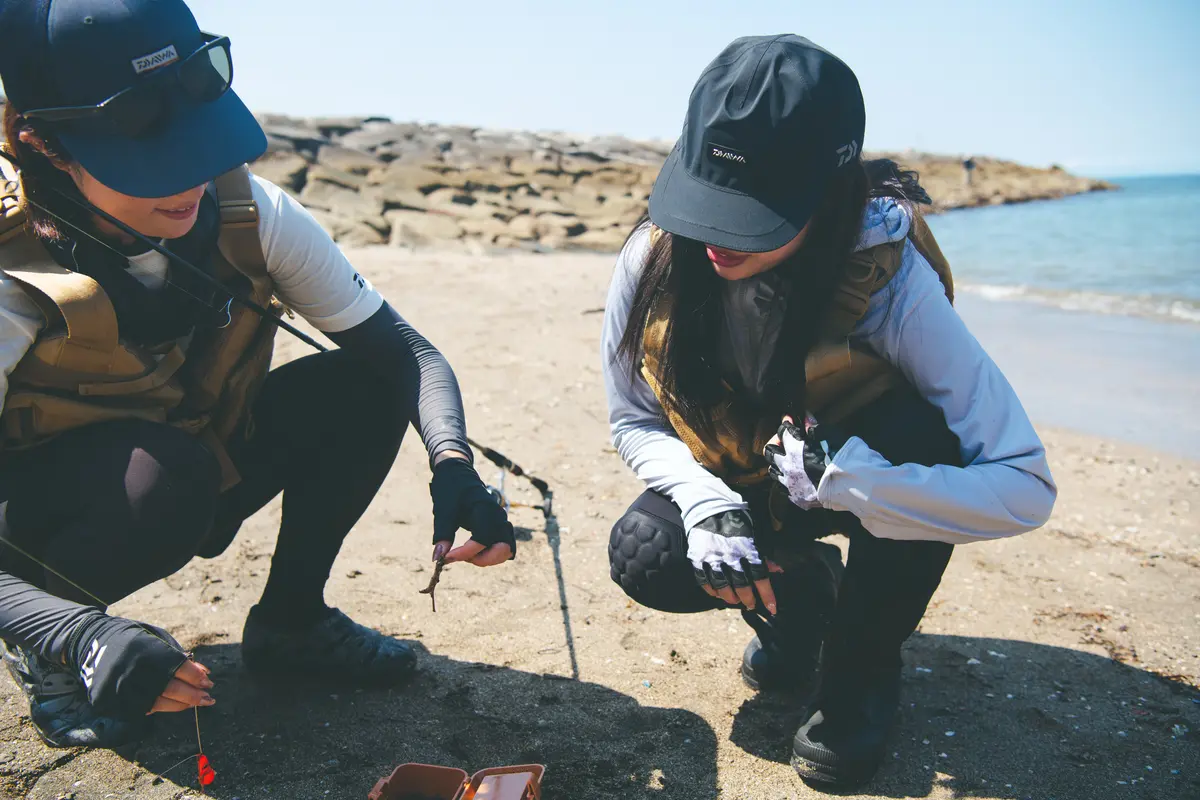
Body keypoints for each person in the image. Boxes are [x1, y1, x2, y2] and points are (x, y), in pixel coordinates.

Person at [0, 0, 515, 750]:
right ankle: (44, 633)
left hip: (191, 464)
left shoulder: (250, 212)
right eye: (149, 159)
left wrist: (453, 464)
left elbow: (408, 355)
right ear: (44, 145)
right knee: (166, 478)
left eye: (198, 144)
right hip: (47, 518)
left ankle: (292, 622)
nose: (189, 179)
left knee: (365, 383)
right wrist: (75, 631)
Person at [602, 35, 1056, 789]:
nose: (717, 236)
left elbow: (1024, 483)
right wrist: (707, 504)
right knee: (643, 552)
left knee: (925, 442)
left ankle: (861, 672)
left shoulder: (891, 281)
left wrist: (858, 482)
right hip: (740, 477)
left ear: (827, 192)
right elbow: (633, 421)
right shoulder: (651, 258)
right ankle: (802, 599)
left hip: (862, 474)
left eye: (753, 215)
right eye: (707, 200)